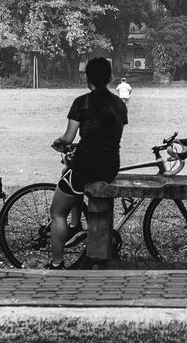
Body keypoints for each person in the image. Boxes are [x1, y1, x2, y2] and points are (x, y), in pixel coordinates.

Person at [46, 57, 128, 270]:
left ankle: (57, 263)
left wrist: (59, 143)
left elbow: (68, 138)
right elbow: (109, 136)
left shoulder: (81, 102)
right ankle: (75, 225)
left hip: (85, 167)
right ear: (110, 78)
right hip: (110, 166)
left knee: (56, 212)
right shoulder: (119, 104)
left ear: (87, 78)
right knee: (73, 178)